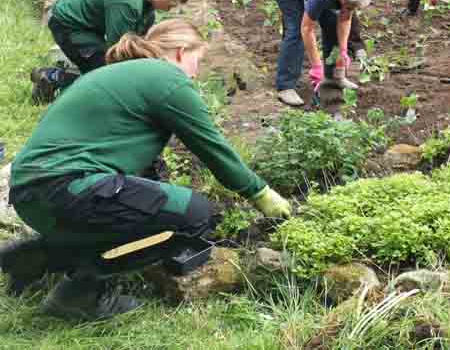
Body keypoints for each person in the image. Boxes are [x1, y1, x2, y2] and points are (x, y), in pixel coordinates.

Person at [5, 19, 291, 321]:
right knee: (194, 217)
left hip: (32, 194)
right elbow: (213, 149)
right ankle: (81, 292)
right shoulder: (166, 78)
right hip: (69, 190)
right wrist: (260, 192)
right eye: (198, 60)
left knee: (145, 210)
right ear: (181, 52)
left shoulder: (119, 75)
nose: (196, 72)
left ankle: (42, 256)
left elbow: (142, 174)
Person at [31, 0, 191, 103]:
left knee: (114, 74)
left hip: (91, 28)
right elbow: (117, 53)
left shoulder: (148, 8)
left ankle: (65, 78)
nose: (168, 10)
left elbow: (141, 45)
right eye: (169, 6)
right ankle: (52, 77)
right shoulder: (127, 2)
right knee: (106, 78)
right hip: (68, 24)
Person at [267, 0, 375, 106]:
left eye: (354, 6)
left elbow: (345, 17)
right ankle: (286, 86)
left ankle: (334, 77)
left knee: (332, 23)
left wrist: (343, 51)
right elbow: (307, 28)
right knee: (296, 28)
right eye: (348, 3)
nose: (349, 7)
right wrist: (317, 67)